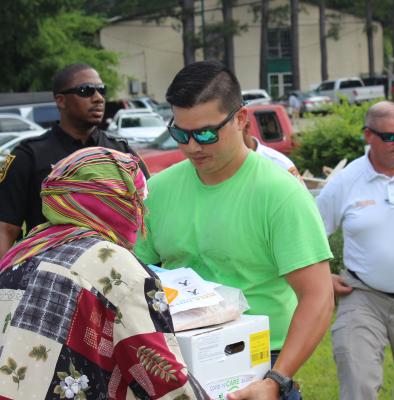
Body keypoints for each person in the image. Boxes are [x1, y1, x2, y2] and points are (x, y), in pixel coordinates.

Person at [134, 60, 334, 400]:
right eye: (180, 134)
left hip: (259, 366)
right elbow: (134, 275)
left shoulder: (280, 194)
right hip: (177, 365)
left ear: (241, 119)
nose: (193, 146)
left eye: (207, 133)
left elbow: (318, 296)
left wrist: (275, 381)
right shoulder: (160, 190)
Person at [0, 147, 208, 400]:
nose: (143, 212)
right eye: (137, 200)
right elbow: (162, 378)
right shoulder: (116, 266)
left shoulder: (24, 251)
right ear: (113, 203)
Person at [0, 63, 149, 258]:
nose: (98, 98)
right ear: (61, 101)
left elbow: (146, 215)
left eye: (101, 90)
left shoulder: (120, 152)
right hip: (50, 269)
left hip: (115, 270)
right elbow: (6, 229)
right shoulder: (29, 155)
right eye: (86, 91)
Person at [316, 100, 394, 400]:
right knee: (356, 380)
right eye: (390, 136)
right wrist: (322, 278)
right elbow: (309, 234)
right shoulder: (346, 181)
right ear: (368, 135)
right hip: (364, 296)